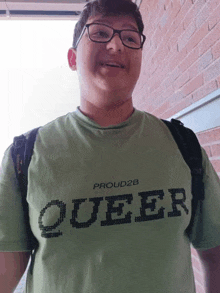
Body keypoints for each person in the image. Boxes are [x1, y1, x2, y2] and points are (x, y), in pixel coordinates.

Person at [0, 0, 220, 292]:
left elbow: (216, 255)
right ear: (73, 58)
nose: (116, 46)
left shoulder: (183, 145)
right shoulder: (25, 156)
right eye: (100, 33)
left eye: (130, 38)